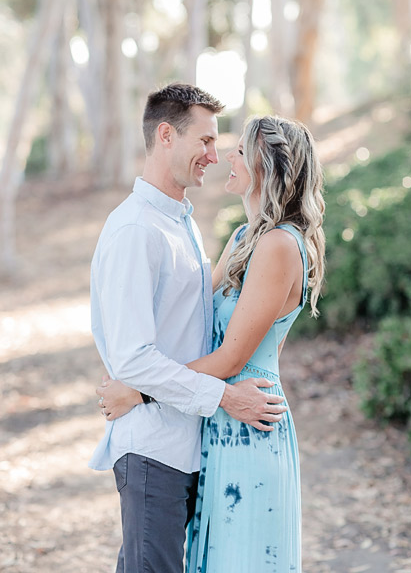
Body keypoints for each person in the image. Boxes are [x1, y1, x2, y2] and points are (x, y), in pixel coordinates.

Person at [99, 114, 326, 572]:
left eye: (240, 151)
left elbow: (232, 356)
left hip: (250, 424)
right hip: (217, 420)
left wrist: (139, 390)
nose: (225, 157)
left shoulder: (280, 246)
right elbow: (197, 309)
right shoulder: (245, 239)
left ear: (267, 167)